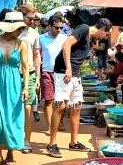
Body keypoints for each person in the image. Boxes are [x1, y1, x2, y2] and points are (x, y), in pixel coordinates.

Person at [47, 16, 112, 157]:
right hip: (64, 72)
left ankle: (74, 142)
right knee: (60, 106)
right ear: (102, 29)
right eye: (106, 34)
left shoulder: (90, 37)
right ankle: (52, 143)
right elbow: (66, 45)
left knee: (76, 107)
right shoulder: (83, 29)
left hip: (75, 74)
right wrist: (69, 68)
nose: (106, 37)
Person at [0, 11, 29, 165]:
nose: (20, 31)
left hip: (14, 86)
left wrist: (26, 87)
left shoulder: (21, 44)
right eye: (18, 28)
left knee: (12, 120)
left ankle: (10, 151)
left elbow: (25, 67)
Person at [18, 4, 41, 154]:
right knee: (14, 108)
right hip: (14, 73)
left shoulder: (34, 34)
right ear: (22, 16)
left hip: (31, 74)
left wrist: (38, 76)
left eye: (35, 19)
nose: (33, 22)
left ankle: (26, 140)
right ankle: (15, 138)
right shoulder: (12, 32)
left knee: (28, 108)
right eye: (30, 18)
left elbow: (36, 55)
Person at [39, 12, 67, 130]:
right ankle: (51, 126)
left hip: (61, 72)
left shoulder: (64, 38)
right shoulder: (41, 38)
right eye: (57, 27)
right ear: (50, 26)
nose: (59, 30)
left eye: (61, 27)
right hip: (47, 71)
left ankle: (59, 122)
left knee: (61, 100)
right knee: (49, 100)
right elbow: (37, 55)